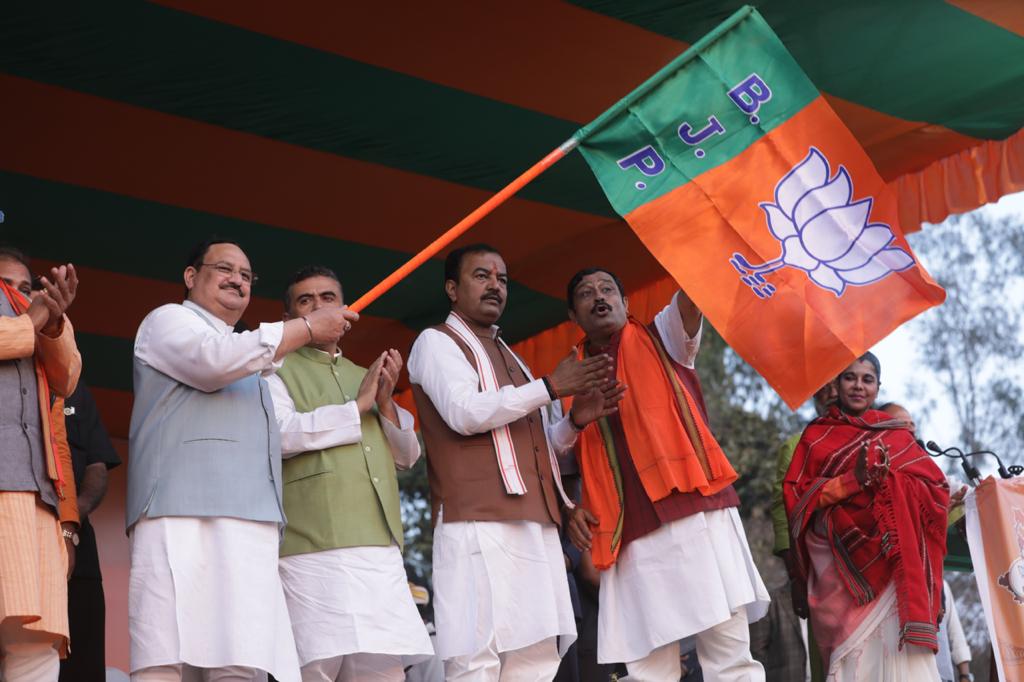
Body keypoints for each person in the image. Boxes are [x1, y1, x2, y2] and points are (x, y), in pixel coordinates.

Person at [126, 239, 358, 682]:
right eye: (224, 268)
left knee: (242, 660)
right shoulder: (167, 321)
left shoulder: (253, 356)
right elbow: (212, 362)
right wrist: (306, 329)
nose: (237, 279)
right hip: (178, 512)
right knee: (165, 655)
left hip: (252, 519)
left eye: (247, 275)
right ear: (191, 277)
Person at [407, 244, 618, 680]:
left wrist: (574, 423)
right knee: (476, 658)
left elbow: (537, 446)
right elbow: (465, 412)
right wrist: (550, 387)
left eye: (501, 279)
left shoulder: (513, 357)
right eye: (481, 276)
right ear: (452, 288)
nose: (494, 286)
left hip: (534, 525)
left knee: (537, 656)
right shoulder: (435, 343)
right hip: (477, 521)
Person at [563, 268, 769, 682]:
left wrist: (685, 240)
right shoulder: (567, 377)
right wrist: (570, 508)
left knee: (727, 652)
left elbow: (693, 295)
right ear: (573, 314)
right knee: (648, 666)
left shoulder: (664, 336)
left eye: (607, 289)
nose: (599, 297)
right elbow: (555, 455)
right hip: (626, 530)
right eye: (586, 293)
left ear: (625, 302)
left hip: (695, 511)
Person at [266, 265, 433, 680]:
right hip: (311, 547)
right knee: (314, 668)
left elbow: (408, 455)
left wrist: (387, 401)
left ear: (345, 311)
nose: (319, 306)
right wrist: (357, 407)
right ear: (290, 321)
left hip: (379, 548)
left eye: (328, 298)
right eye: (306, 301)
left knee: (382, 669)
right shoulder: (271, 371)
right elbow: (282, 435)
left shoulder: (365, 374)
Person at [783, 352, 949, 681]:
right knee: (852, 654)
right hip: (841, 570)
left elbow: (936, 487)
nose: (858, 386)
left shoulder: (897, 435)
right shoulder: (816, 436)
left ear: (878, 386)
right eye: (850, 377)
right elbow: (798, 500)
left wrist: (891, 485)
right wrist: (853, 480)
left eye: (867, 379)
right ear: (837, 383)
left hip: (890, 564)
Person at [0, 247, 82, 681]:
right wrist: (29, 319)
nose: (16, 295)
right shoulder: (21, 321)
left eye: (26, 288)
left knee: (34, 643)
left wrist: (52, 320)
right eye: (4, 285)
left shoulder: (36, 323)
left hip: (37, 504)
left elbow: (67, 376)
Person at [768, 383, 835, 682]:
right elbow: (783, 514)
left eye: (841, 381)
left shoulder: (877, 441)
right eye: (825, 387)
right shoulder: (797, 445)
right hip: (819, 574)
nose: (833, 392)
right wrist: (796, 577)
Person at [58, 383, 122, 682]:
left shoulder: (74, 392)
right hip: (16, 541)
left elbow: (97, 466)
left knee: (82, 665)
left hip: (78, 552)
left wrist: (71, 515)